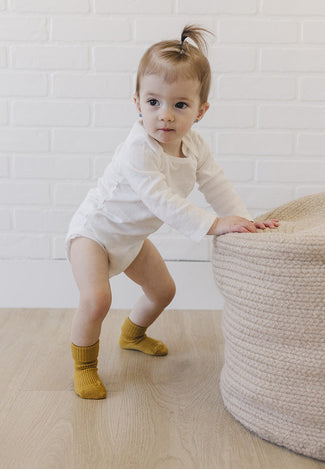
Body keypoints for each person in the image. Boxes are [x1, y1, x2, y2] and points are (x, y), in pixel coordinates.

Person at [66, 24, 279, 400]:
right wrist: (214, 225)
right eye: (153, 102)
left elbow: (216, 184)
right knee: (97, 300)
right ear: (137, 103)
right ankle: (85, 366)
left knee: (163, 290)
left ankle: (133, 335)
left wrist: (241, 221)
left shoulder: (194, 145)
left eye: (179, 105)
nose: (165, 115)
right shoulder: (138, 149)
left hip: (130, 238)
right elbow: (162, 200)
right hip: (94, 234)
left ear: (200, 111)